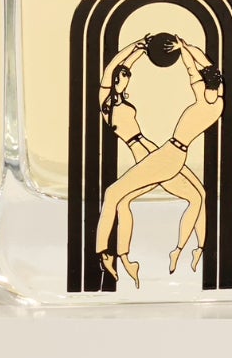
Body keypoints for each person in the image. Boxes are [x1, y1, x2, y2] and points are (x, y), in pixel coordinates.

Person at [92, 35, 219, 286]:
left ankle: (111, 254)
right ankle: (121, 256)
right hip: (149, 151)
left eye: (126, 76)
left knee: (116, 195)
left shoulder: (117, 98)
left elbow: (119, 68)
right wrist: (137, 48)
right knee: (123, 198)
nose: (125, 79)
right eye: (123, 77)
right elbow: (114, 66)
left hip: (153, 152)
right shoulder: (106, 99)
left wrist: (140, 49)